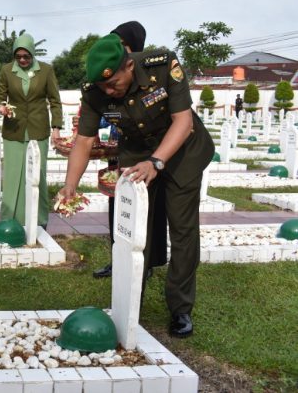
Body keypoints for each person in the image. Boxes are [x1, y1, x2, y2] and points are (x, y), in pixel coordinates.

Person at [58, 34, 214, 338]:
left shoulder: (163, 65)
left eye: (113, 82)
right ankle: (130, 301)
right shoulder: (94, 92)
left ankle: (180, 308)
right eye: (103, 86)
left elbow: (184, 122)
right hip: (137, 150)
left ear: (129, 64)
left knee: (182, 229)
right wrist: (70, 185)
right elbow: (85, 140)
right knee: (132, 228)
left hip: (182, 150)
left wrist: (156, 163)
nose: (109, 91)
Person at [93, 21, 167, 280]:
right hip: (119, 152)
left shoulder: (148, 77)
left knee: (149, 209)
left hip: (148, 155)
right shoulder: (109, 85)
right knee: (119, 204)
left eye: (123, 45)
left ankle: (147, 261)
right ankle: (118, 258)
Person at [0, 33, 63, 226]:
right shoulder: (7, 71)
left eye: (26, 56)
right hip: (13, 129)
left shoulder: (46, 70)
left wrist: (56, 127)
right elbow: (0, 97)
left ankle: (39, 220)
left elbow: (55, 101)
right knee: (13, 175)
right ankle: (9, 219)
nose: (23, 60)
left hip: (38, 129)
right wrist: (1, 108)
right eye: (19, 57)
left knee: (37, 175)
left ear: (33, 54)